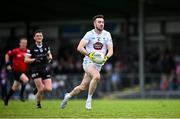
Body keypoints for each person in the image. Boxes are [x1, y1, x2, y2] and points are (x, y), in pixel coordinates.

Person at [60, 15, 113, 110]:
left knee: (83, 87)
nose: (101, 24)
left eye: (103, 22)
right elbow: (79, 47)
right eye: (99, 22)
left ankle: (68, 96)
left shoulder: (107, 34)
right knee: (97, 76)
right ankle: (89, 100)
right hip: (88, 62)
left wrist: (106, 57)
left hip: (99, 64)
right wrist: (89, 55)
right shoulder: (89, 34)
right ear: (94, 23)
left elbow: (111, 50)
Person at [25, 29, 53, 108]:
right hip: (35, 70)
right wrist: (34, 59)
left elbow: (49, 54)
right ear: (34, 38)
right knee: (41, 89)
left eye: (40, 36)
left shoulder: (46, 46)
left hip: (44, 69)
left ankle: (36, 89)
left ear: (42, 37)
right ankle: (38, 104)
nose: (39, 37)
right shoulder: (31, 48)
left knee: (49, 88)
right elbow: (26, 60)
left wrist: (50, 58)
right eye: (37, 36)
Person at [4, 38, 29, 106]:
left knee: (14, 87)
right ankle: (21, 95)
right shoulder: (16, 51)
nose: (24, 44)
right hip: (16, 71)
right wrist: (8, 64)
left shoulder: (28, 51)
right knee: (26, 80)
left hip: (23, 72)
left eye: (25, 43)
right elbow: (7, 55)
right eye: (23, 43)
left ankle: (6, 99)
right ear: (20, 44)